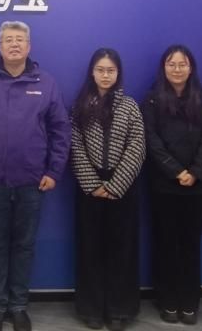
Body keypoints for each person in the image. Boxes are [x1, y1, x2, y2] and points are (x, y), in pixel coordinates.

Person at [0, 20, 71, 331]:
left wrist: (54, 171)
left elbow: (61, 130)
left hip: (33, 183)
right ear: (0, 46)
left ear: (29, 46)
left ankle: (18, 306)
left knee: (24, 246)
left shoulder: (45, 82)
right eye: (8, 40)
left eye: (20, 39)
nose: (14, 44)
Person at [69, 48, 146, 331]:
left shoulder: (130, 106)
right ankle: (91, 308)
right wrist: (92, 184)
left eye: (110, 70)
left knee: (121, 249)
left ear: (118, 73)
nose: (105, 75)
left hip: (123, 188)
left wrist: (115, 185)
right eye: (100, 70)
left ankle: (119, 309)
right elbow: (74, 146)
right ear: (92, 72)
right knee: (90, 248)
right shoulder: (80, 106)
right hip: (89, 187)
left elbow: (137, 146)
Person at [143, 44, 202, 325]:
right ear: (164, 68)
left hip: (196, 186)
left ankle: (190, 301)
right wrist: (176, 171)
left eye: (182, 64)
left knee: (190, 244)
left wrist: (195, 172)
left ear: (191, 68)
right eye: (171, 64)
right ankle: (167, 300)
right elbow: (151, 139)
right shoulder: (152, 100)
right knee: (166, 243)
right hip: (164, 184)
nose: (177, 69)